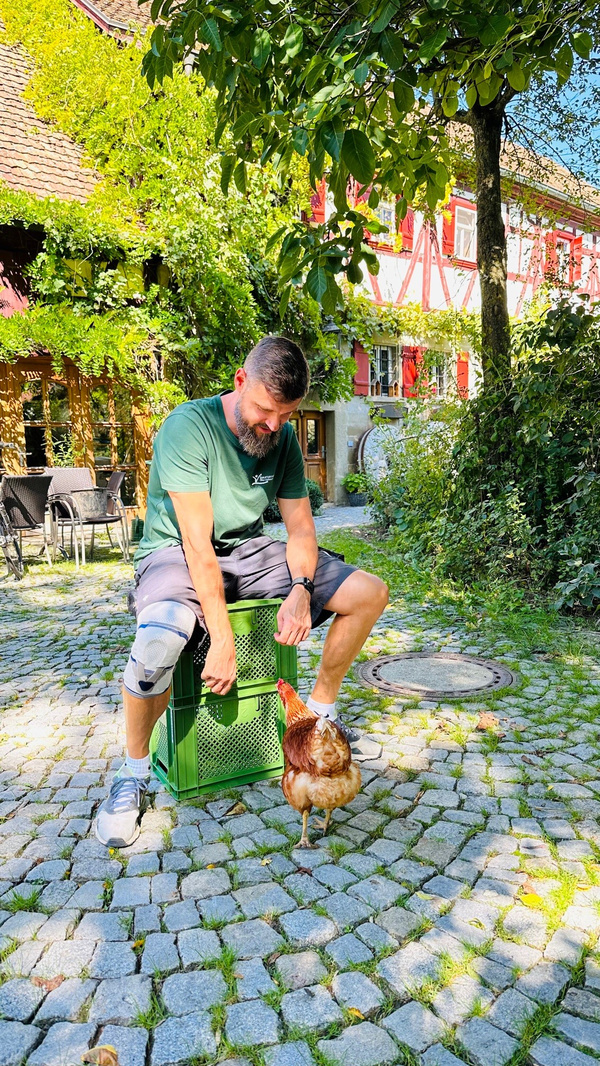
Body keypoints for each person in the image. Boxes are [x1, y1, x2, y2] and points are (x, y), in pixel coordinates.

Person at [95, 336, 389, 847]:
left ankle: (318, 719)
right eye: (265, 409)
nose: (273, 425)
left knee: (369, 593)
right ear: (239, 382)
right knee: (161, 639)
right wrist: (222, 635)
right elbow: (196, 545)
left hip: (248, 553)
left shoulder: (284, 440)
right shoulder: (190, 428)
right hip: (174, 554)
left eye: (287, 414)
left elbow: (300, 531)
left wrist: (301, 587)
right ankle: (134, 773)